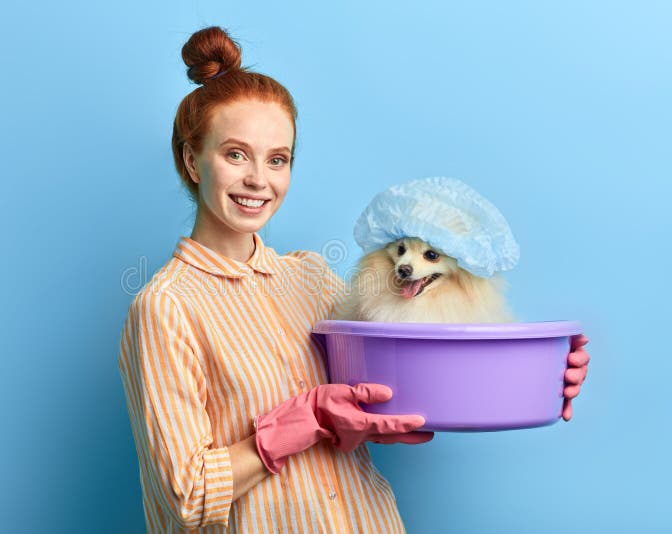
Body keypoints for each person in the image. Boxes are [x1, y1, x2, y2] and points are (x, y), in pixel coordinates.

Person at [118, 26, 590, 533]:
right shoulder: (166, 306)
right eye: (235, 154)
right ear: (192, 160)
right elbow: (185, 498)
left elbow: (406, 378)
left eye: (277, 159)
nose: (259, 179)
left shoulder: (312, 278)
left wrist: (537, 377)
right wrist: (308, 418)